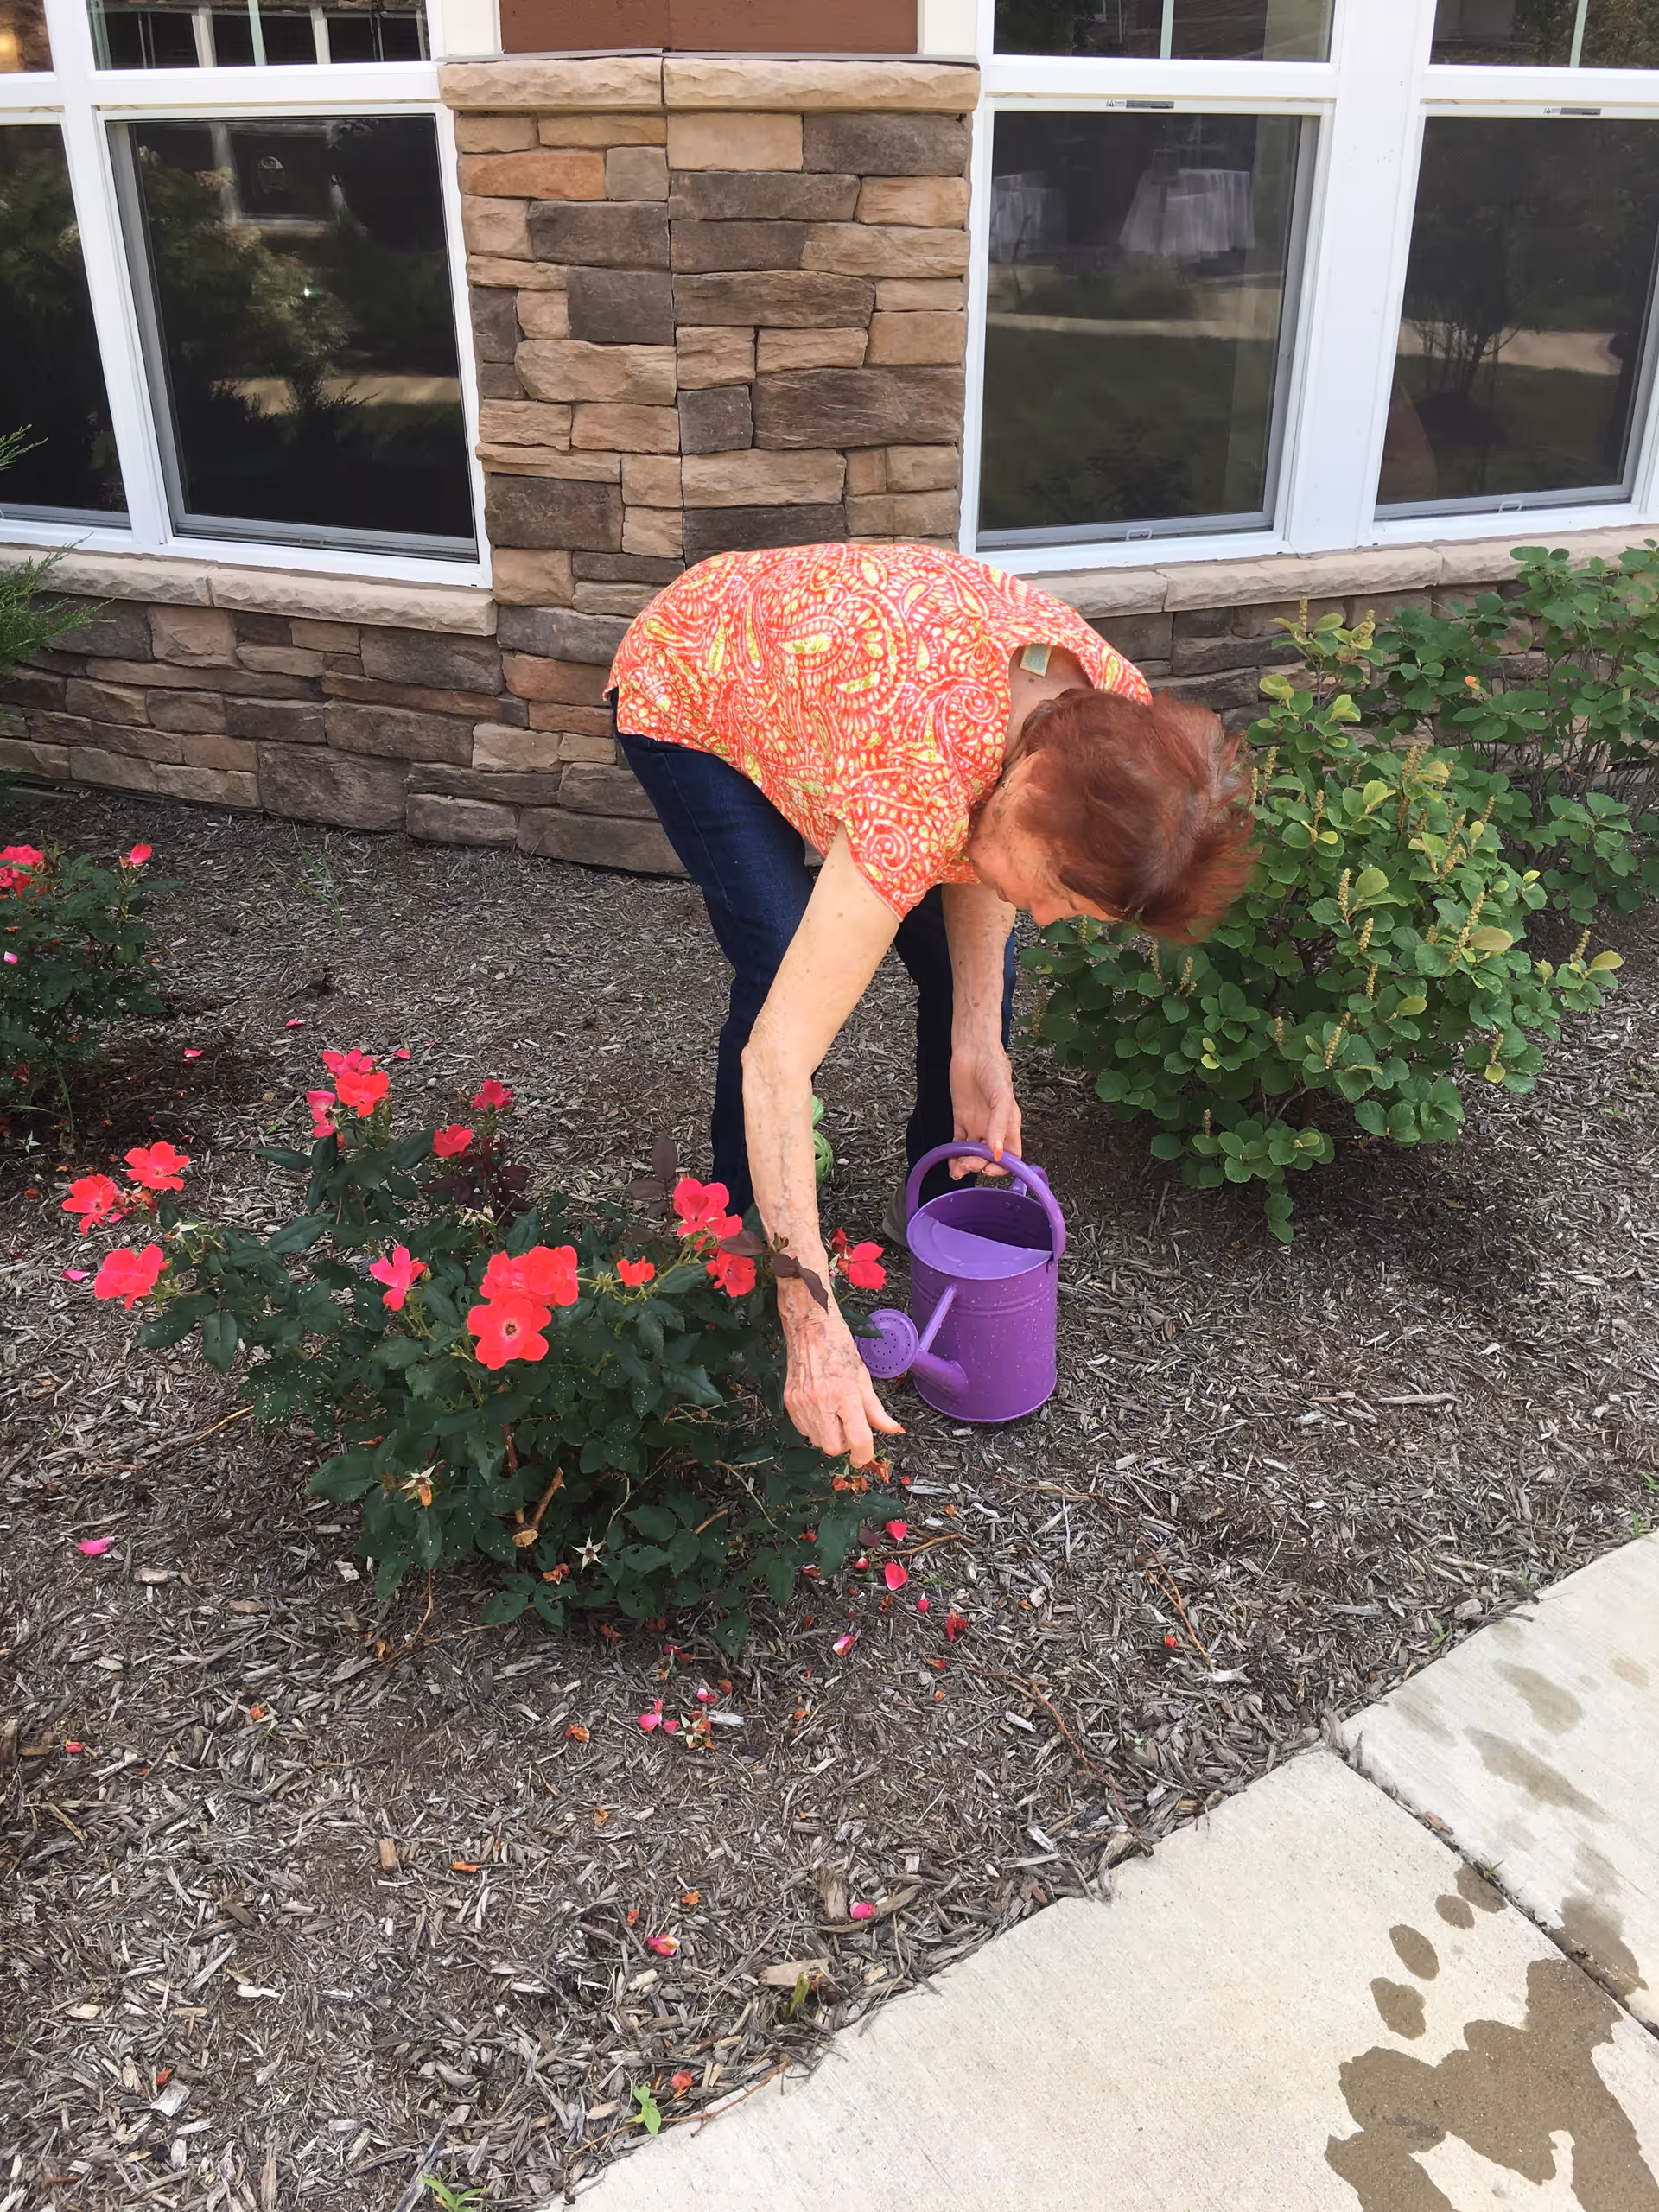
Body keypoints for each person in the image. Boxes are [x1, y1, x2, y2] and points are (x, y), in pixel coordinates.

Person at [609, 541, 1254, 1468]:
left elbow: (989, 835)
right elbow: (778, 1060)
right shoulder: (923, 765)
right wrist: (813, 1320)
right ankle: (741, 1242)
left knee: (972, 975)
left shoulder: (1111, 728)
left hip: (851, 696)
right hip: (695, 679)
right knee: (782, 959)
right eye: (1060, 891)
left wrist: (979, 1043)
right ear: (1030, 786)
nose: (1046, 913)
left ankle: (946, 1222)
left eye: (1077, 909)